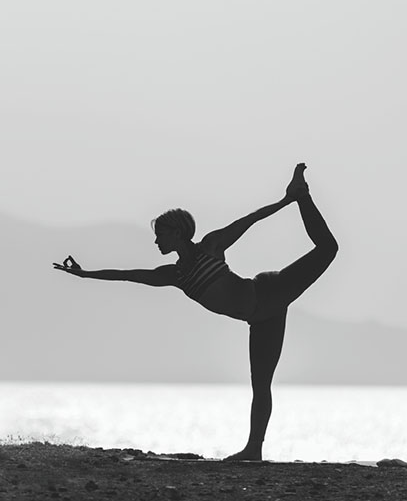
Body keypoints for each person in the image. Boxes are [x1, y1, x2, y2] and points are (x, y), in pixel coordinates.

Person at [51, 163, 338, 462]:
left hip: (269, 290)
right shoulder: (176, 275)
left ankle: (301, 195)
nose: (156, 241)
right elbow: (128, 274)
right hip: (261, 318)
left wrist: (285, 202)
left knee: (328, 248)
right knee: (261, 384)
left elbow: (249, 220)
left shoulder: (210, 247)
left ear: (176, 234)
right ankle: (254, 449)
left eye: (160, 235)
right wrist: (85, 275)